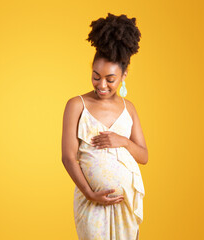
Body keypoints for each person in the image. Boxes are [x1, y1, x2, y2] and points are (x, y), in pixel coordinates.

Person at [61, 13, 148, 240]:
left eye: (110, 79)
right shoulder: (76, 105)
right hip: (92, 203)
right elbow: (68, 157)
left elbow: (144, 156)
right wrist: (90, 194)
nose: (101, 85)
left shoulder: (129, 108)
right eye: (96, 76)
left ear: (124, 76)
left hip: (126, 203)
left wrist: (123, 141)